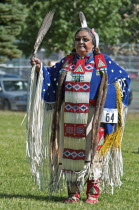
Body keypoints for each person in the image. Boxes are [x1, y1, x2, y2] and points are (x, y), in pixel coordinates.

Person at [28, 12, 130, 204]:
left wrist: (109, 101)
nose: (81, 42)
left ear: (94, 43)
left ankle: (93, 193)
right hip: (69, 116)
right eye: (77, 39)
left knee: (94, 154)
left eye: (85, 39)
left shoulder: (103, 62)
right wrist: (40, 68)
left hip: (94, 115)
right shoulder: (67, 62)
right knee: (70, 154)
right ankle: (73, 193)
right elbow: (50, 75)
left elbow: (123, 79)